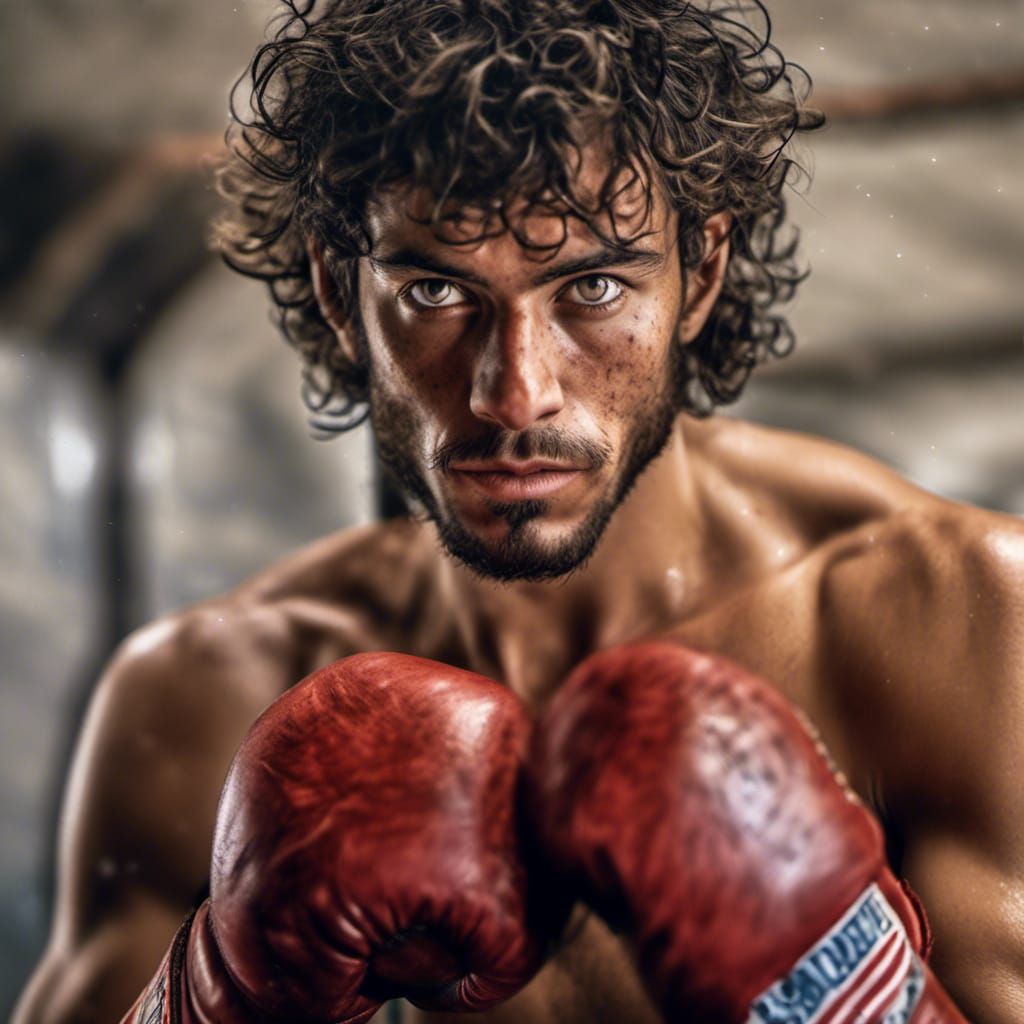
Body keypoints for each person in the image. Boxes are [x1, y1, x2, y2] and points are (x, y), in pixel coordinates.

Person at [13, 0, 1024, 1021]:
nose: (512, 392)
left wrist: (835, 982)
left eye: (589, 287)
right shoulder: (203, 698)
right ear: (336, 288)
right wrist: (217, 989)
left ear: (700, 272)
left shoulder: (950, 615)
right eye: (435, 293)